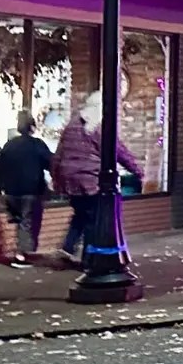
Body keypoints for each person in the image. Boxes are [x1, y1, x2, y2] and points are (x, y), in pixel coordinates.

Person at [51, 93, 142, 268]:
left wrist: (56, 178)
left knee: (80, 214)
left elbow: (59, 153)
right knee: (93, 219)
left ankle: (67, 248)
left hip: (70, 178)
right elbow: (118, 151)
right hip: (90, 179)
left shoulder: (72, 125)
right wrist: (137, 171)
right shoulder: (99, 127)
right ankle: (88, 259)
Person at [0, 111, 53, 267]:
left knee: (20, 222)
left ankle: (22, 251)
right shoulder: (37, 144)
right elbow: (50, 162)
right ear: (32, 126)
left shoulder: (9, 145)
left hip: (11, 191)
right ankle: (21, 255)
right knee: (27, 223)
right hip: (30, 190)